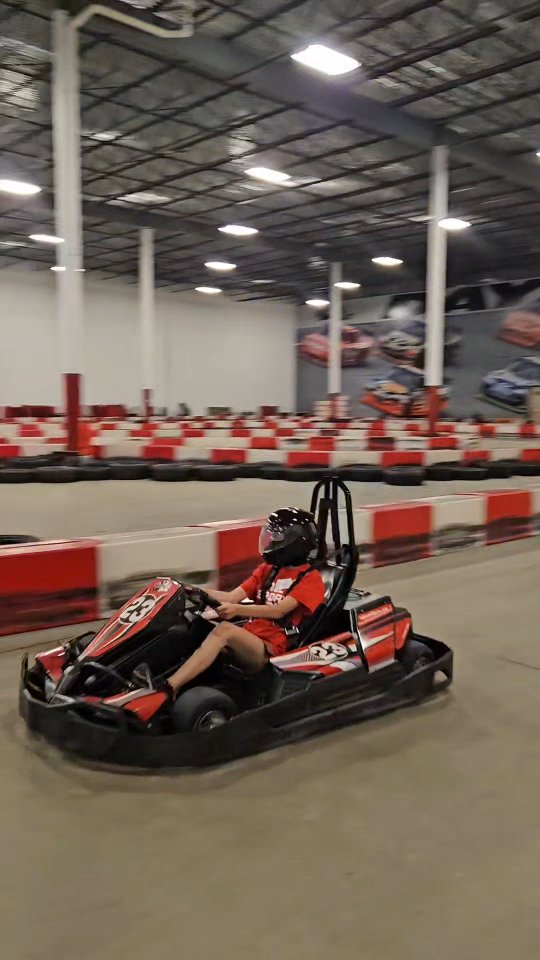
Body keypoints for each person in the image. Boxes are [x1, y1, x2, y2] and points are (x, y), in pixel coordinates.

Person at [164, 508, 325, 697]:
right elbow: (232, 597)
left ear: (295, 543)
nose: (271, 541)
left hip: (271, 648)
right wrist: (189, 589)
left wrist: (236, 610)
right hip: (250, 635)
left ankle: (169, 687)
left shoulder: (311, 579)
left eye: (277, 538)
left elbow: (279, 611)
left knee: (224, 630)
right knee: (195, 624)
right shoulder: (268, 570)